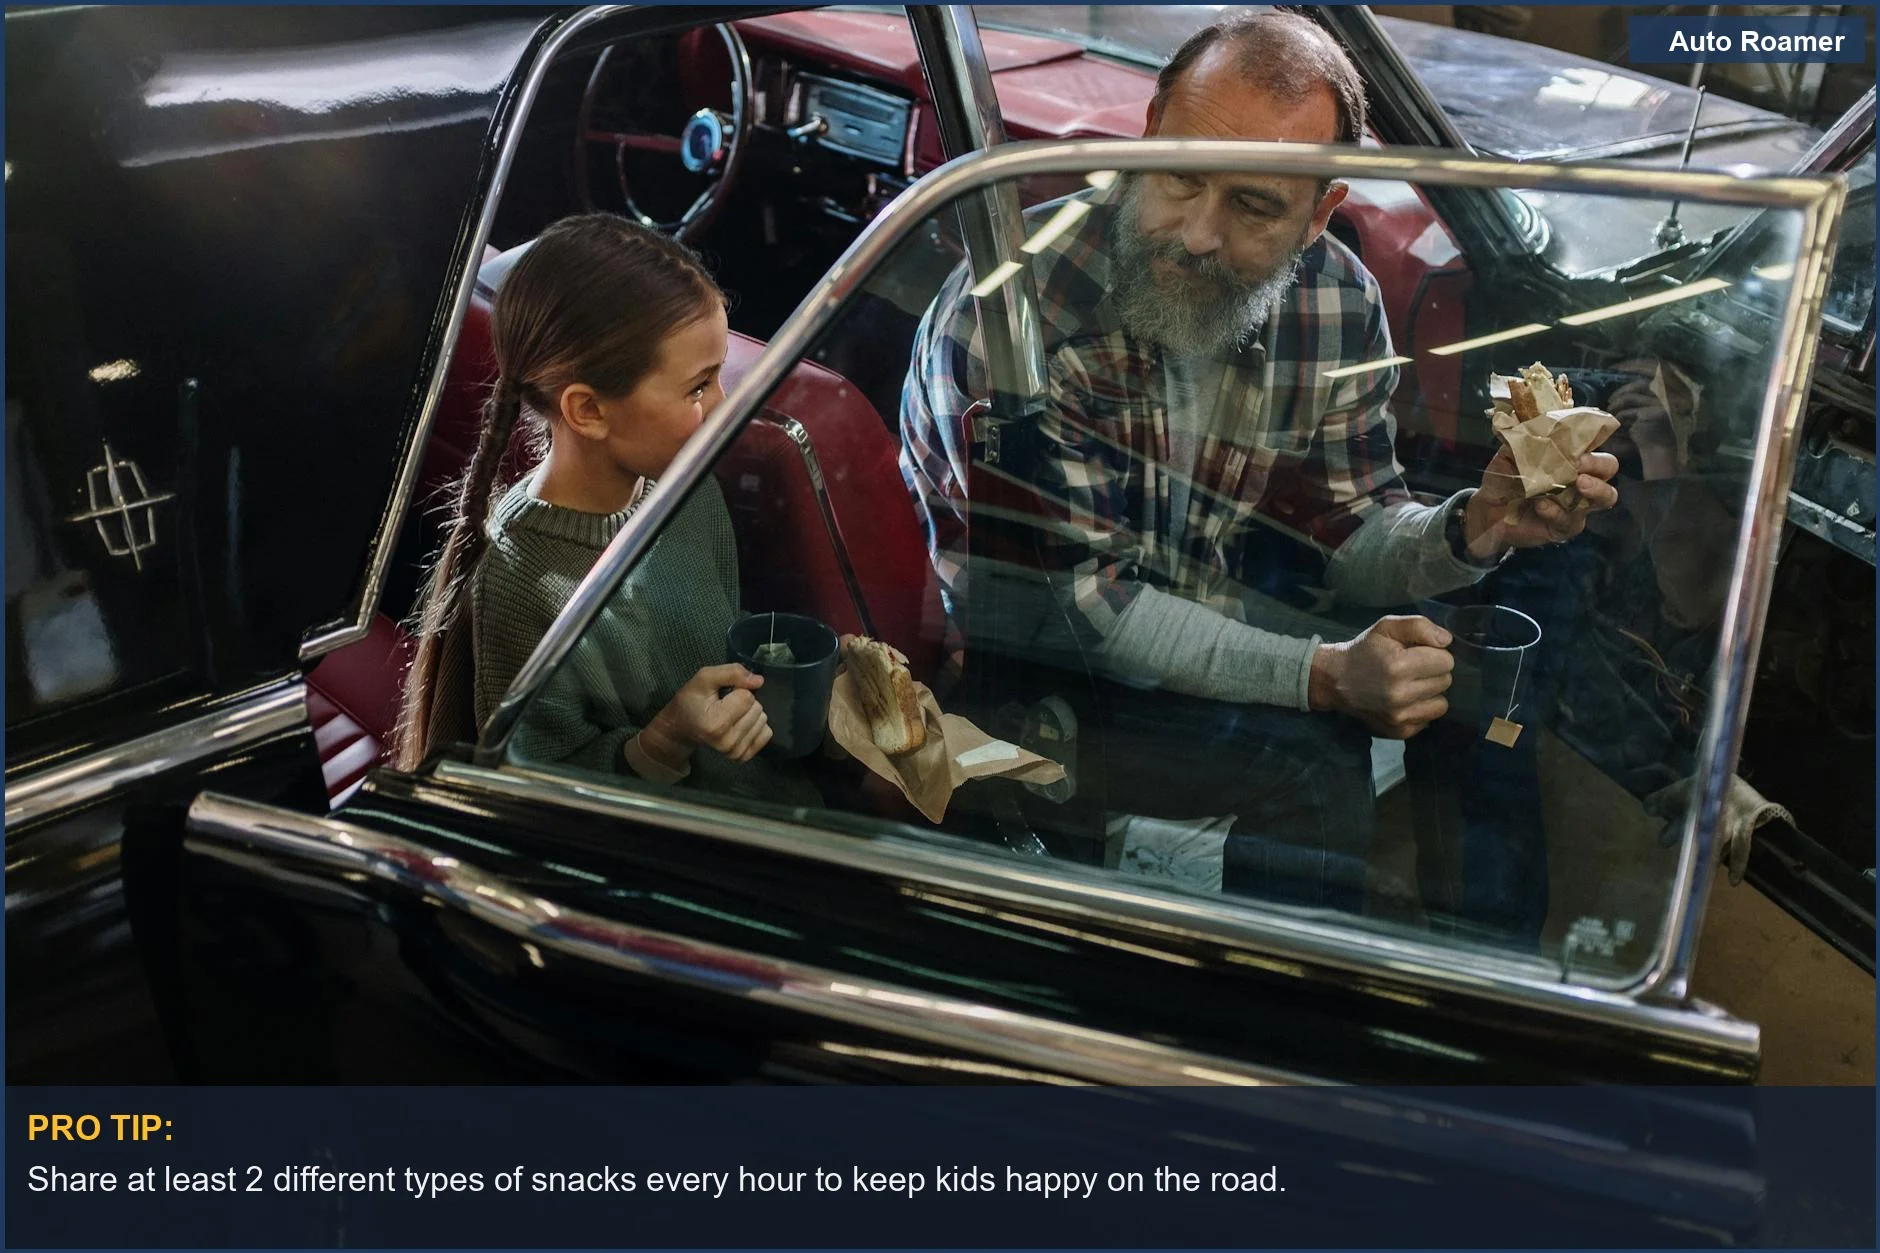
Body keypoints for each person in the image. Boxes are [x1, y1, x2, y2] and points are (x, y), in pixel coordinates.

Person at [898, 12, 1621, 907]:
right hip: (1027, 684)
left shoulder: (1336, 300)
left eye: (1252, 205)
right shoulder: (1010, 321)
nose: (1198, 233)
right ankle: (1264, 1019)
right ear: (1151, 127)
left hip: (1199, 603)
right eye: (1182, 176)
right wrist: (1324, 675)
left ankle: (1481, 1005)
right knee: (1314, 759)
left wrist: (1470, 527)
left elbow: (1352, 527)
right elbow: (1091, 610)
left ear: (1321, 213)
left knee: (1472, 683)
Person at [395, 213, 783, 793]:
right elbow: (541, 785)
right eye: (698, 386)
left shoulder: (692, 490)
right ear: (589, 412)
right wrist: (662, 741)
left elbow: (713, 633)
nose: (725, 406)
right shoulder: (518, 586)